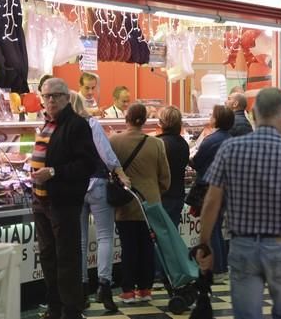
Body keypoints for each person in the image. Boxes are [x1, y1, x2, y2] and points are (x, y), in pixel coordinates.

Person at [195, 87, 281, 319]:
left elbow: (211, 200)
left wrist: (205, 243)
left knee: (246, 315)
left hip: (244, 245)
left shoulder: (230, 148)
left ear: (253, 114)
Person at [31, 78, 99, 319]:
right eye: (47, 96)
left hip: (64, 202)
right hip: (41, 201)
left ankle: (71, 310)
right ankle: (54, 308)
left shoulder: (76, 125)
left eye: (56, 95)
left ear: (67, 98)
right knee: (48, 257)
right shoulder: (45, 124)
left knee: (67, 258)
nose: (50, 100)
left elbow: (88, 163)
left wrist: (54, 172)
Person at [69, 91, 131, 312]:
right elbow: (105, 151)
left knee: (80, 240)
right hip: (96, 182)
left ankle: (82, 288)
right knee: (105, 236)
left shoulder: (62, 126)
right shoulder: (90, 123)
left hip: (74, 186)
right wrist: (119, 171)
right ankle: (104, 285)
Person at [109, 103, 170, 303]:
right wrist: (155, 192)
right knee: (147, 248)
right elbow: (165, 178)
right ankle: (145, 289)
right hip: (150, 204)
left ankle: (127, 291)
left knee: (128, 248)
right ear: (145, 120)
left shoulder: (114, 141)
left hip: (126, 203)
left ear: (126, 118)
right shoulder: (156, 144)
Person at [190, 104, 235, 282]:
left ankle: (218, 268)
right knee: (219, 228)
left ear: (217, 119)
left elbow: (198, 161)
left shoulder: (211, 140)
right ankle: (223, 265)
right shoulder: (231, 139)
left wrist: (191, 159)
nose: (210, 117)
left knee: (213, 228)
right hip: (227, 188)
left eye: (212, 114)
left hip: (210, 187)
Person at [157, 105, 190, 228]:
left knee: (161, 235)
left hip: (163, 196)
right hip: (178, 194)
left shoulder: (159, 143)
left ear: (162, 123)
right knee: (172, 234)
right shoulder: (183, 144)